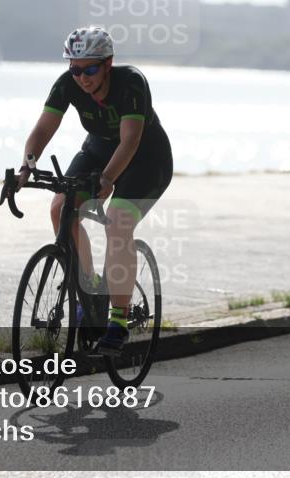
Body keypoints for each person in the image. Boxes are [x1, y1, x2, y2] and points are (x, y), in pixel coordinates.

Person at [16, 26, 173, 355]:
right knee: (60, 208)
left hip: (146, 159)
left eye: (89, 69)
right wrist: (27, 166)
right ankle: (90, 293)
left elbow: (130, 141)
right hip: (99, 149)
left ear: (107, 63)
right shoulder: (67, 84)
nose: (82, 77)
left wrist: (107, 179)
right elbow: (44, 127)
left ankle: (118, 320)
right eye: (75, 69)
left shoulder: (131, 83)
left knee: (117, 220)